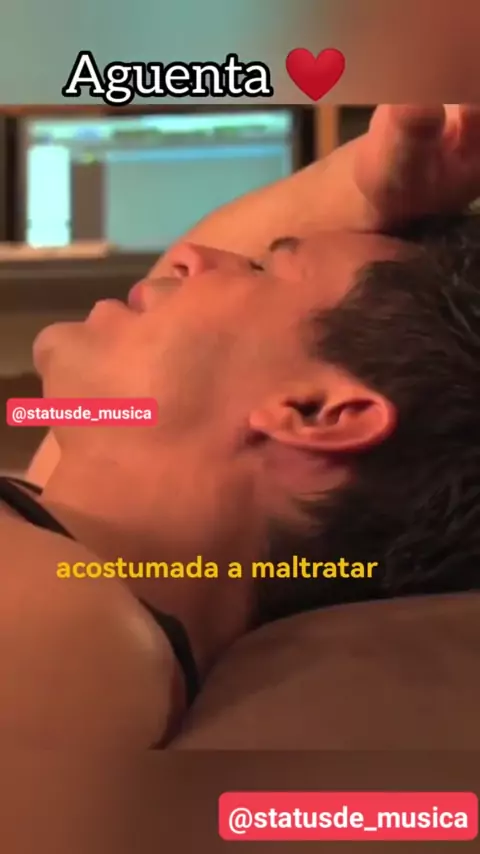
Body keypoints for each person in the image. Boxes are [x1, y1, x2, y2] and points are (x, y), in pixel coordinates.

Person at [2, 104, 480, 748]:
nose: (190, 257)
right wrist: (357, 187)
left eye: (259, 270)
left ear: (314, 411)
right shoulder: (67, 550)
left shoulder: (73, 633)